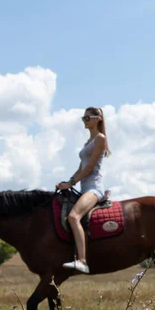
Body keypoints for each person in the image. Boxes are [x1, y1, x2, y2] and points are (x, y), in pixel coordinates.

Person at [56, 106, 111, 274]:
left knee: (73, 216)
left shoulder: (100, 138)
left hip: (94, 187)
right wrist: (67, 182)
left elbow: (90, 168)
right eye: (83, 118)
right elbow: (81, 168)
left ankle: (82, 261)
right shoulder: (88, 142)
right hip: (84, 186)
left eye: (87, 118)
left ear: (98, 119)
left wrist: (71, 183)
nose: (85, 121)